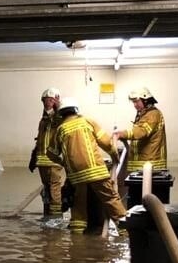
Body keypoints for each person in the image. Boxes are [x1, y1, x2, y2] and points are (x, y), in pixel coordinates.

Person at [47, 97, 127, 233]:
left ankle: (77, 236)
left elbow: (51, 153)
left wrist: (64, 163)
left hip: (76, 176)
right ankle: (125, 230)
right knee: (111, 199)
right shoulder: (87, 121)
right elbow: (107, 143)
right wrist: (115, 156)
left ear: (61, 113)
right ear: (75, 110)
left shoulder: (60, 129)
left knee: (78, 206)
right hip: (96, 171)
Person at [28, 87, 66, 216]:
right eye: (44, 100)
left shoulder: (59, 118)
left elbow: (57, 121)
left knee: (55, 189)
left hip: (54, 161)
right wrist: (33, 158)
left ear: (56, 101)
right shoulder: (43, 121)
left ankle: (56, 217)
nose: (46, 103)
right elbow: (40, 140)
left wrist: (58, 107)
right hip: (42, 162)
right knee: (47, 189)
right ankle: (48, 214)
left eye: (50, 100)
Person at [115, 87, 167, 172]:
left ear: (145, 100)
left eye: (136, 101)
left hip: (150, 166)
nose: (135, 105)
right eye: (133, 102)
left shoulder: (153, 114)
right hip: (142, 166)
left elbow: (142, 131)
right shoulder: (144, 114)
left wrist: (122, 134)